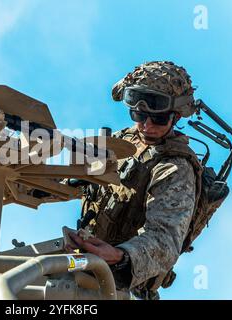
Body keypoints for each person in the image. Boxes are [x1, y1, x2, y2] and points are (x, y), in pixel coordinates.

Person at [65, 61, 203, 300]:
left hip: (122, 287)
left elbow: (164, 241)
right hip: (80, 265)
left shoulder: (175, 168)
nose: (146, 125)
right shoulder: (123, 141)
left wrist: (120, 255)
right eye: (139, 115)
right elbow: (71, 180)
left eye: (158, 119)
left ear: (176, 116)